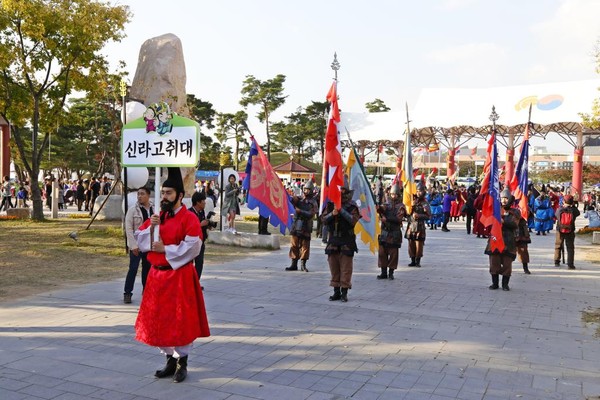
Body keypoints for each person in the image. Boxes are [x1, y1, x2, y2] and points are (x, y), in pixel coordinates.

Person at [134, 167, 210, 383]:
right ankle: (169, 359)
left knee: (180, 321)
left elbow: (193, 247)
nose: (164, 196)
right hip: (157, 278)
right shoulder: (159, 218)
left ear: (179, 195)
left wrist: (165, 249)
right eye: (163, 192)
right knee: (159, 320)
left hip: (179, 277)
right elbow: (140, 239)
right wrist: (151, 229)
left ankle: (182, 363)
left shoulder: (189, 218)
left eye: (168, 193)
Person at [321, 185, 361, 302]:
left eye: (343, 189)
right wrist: (332, 214)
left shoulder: (352, 205)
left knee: (346, 268)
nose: (341, 191)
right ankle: (336, 292)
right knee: (334, 267)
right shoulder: (330, 204)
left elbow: (353, 220)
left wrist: (341, 210)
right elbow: (323, 219)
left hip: (346, 240)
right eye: (339, 189)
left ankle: (344, 292)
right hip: (333, 239)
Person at [486, 189, 521, 291]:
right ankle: (495, 283)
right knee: (494, 262)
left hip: (508, 241)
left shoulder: (515, 212)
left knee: (507, 264)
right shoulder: (495, 210)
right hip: (495, 239)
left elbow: (514, 224)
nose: (504, 200)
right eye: (502, 198)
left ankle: (505, 284)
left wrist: (503, 221)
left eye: (506, 198)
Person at [123, 187, 154, 304]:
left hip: (149, 245)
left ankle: (146, 292)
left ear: (148, 195)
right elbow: (129, 229)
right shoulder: (132, 210)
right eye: (138, 194)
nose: (139, 196)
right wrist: (133, 245)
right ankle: (127, 292)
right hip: (136, 245)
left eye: (142, 194)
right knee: (133, 268)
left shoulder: (154, 209)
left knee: (148, 269)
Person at [286, 180, 318, 272]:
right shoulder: (299, 199)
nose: (306, 191)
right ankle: (293, 263)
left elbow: (311, 214)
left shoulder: (313, 202)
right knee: (294, 244)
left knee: (305, 246)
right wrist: (291, 198)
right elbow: (291, 202)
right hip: (296, 225)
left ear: (311, 190)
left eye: (308, 189)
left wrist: (301, 211)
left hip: (306, 225)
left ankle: (303, 265)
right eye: (305, 189)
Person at [376, 183, 406, 280]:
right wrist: (379, 208)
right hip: (384, 232)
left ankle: (391, 272)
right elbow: (383, 208)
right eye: (392, 194)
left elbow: (398, 219)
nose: (393, 196)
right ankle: (383, 272)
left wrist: (387, 218)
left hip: (394, 233)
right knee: (382, 253)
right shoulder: (387, 203)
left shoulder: (401, 206)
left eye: (395, 194)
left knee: (393, 254)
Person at [190, 191, 214, 288]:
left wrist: (207, 226)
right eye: (203, 201)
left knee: (199, 263)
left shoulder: (202, 212)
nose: (205, 203)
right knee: (189, 264)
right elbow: (188, 228)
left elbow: (202, 226)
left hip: (201, 241)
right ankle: (189, 284)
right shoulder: (189, 213)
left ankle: (196, 283)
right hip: (191, 242)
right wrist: (200, 225)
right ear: (198, 202)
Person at [405, 184, 431, 267]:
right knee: (411, 244)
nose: (418, 193)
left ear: (423, 192)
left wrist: (419, 216)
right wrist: (410, 208)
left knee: (419, 245)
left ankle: (417, 260)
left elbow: (428, 216)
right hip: (411, 225)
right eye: (417, 191)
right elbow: (406, 214)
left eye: (420, 191)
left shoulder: (425, 203)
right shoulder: (412, 201)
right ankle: (412, 260)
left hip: (419, 226)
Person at [554, 194, 580, 269]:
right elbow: (578, 213)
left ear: (564, 201)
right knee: (570, 247)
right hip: (570, 230)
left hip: (560, 230)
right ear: (572, 202)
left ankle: (556, 261)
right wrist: (573, 206)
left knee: (558, 245)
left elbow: (556, 215)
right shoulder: (574, 210)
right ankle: (570, 264)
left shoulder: (559, 209)